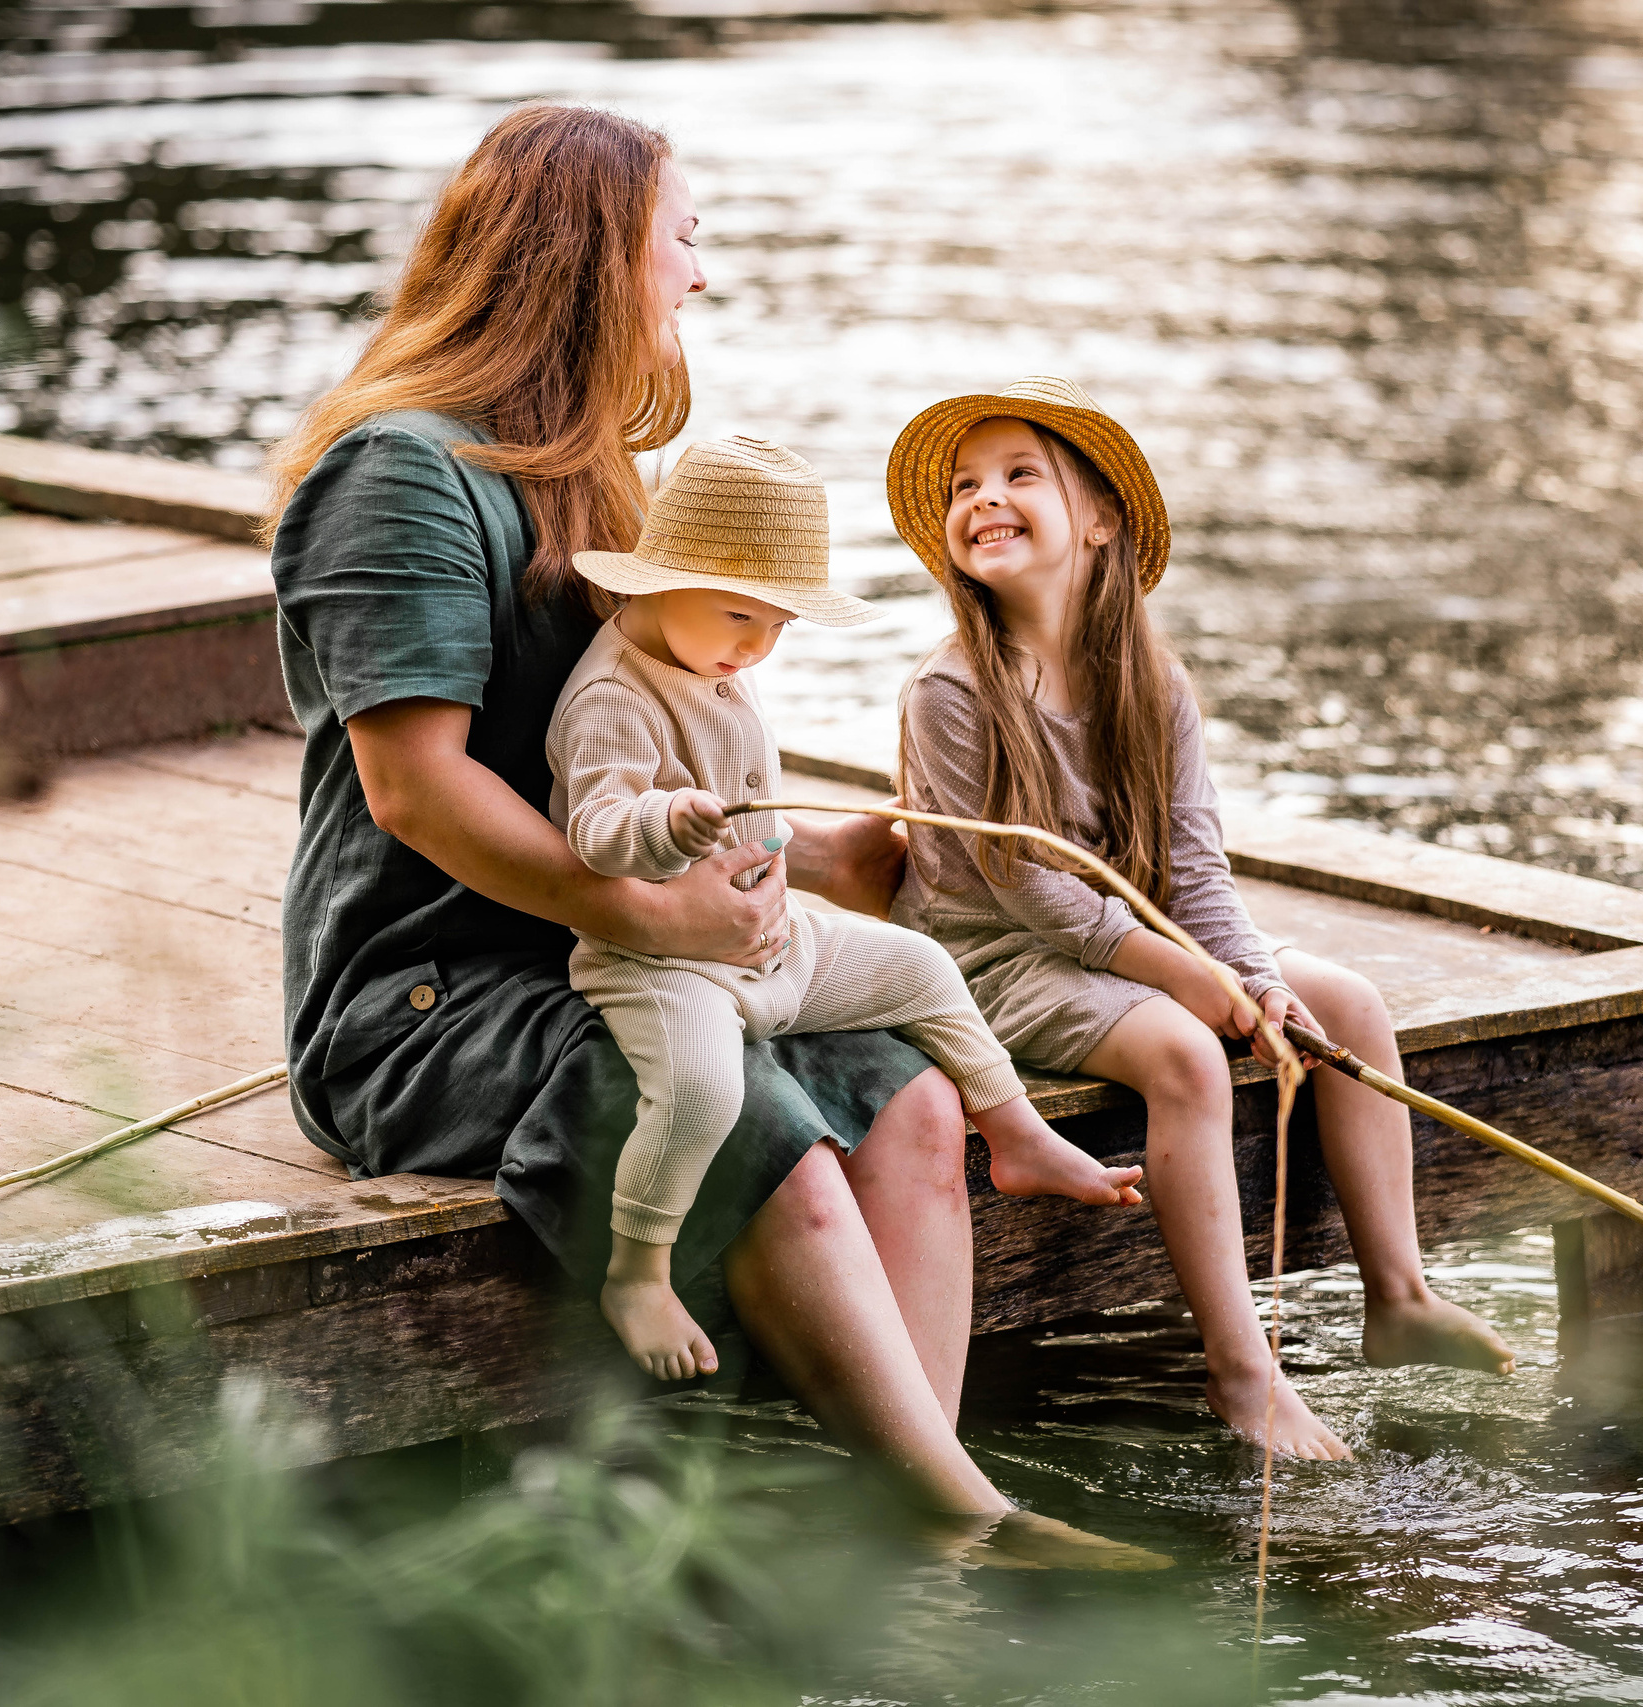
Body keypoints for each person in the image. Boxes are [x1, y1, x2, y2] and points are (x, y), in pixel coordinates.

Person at [261, 103, 1023, 1521]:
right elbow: (411, 785)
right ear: (597, 252)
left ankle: (906, 1504)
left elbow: (642, 757)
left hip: (608, 947)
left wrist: (831, 853)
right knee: (766, 1129)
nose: (699, 274)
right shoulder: (404, 472)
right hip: (421, 1002)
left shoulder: (589, 475)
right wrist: (638, 907)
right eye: (685, 237)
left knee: (911, 1097)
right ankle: (967, 1526)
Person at [884, 376, 1517, 1463]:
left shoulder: (1150, 682)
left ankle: (1398, 1293)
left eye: (1017, 475)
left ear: (1099, 522)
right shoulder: (951, 693)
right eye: (962, 486)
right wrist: (1186, 982)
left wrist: (1252, 979)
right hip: (989, 957)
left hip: (1125, 941)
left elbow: (1194, 870)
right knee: (1187, 1053)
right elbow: (1022, 885)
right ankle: (1240, 1369)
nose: (982, 498)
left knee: (1347, 1006)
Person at [546, 432, 1143, 1381]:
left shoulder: (712, 662)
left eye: (778, 624)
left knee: (923, 967)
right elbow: (599, 828)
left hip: (770, 942)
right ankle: (639, 1269)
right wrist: (671, 820)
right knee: (703, 1088)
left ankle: (1016, 1130)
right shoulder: (614, 696)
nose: (758, 645)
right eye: (743, 615)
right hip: (661, 961)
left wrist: (796, 857)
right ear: (655, 585)